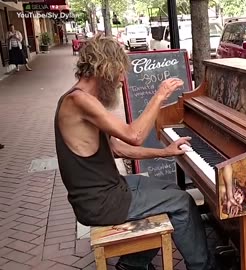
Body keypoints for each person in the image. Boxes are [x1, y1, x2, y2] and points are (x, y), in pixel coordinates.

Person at [54, 34, 211, 270]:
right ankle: (203, 267)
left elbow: (117, 148)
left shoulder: (82, 98)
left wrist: (165, 152)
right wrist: (159, 96)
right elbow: (134, 136)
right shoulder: (79, 101)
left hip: (109, 190)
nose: (122, 79)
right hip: (101, 203)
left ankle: (133, 264)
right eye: (120, 71)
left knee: (169, 189)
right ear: (105, 67)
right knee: (181, 201)